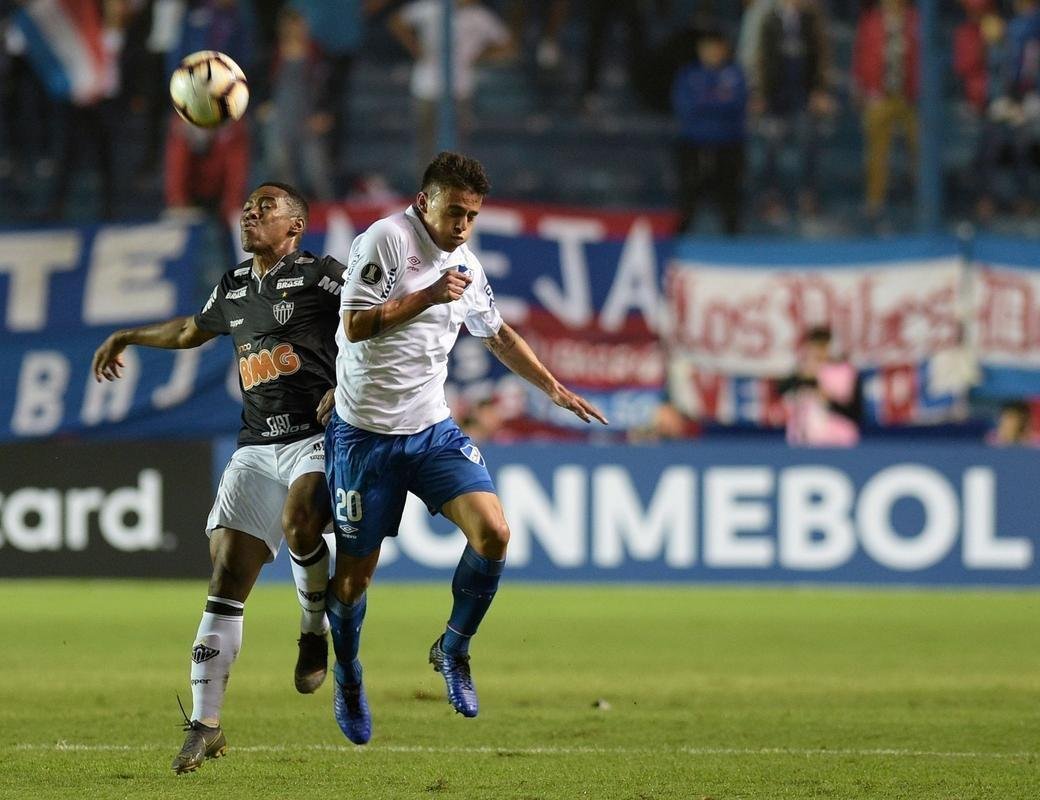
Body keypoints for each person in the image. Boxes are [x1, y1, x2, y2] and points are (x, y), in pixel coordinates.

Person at [324, 151, 607, 744]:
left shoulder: (467, 266)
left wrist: (553, 387)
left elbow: (498, 335)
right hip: (365, 435)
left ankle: (453, 648)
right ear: (425, 201)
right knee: (352, 583)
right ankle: (348, 672)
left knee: (495, 533)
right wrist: (428, 296)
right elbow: (353, 325)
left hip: (431, 429)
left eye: (472, 216)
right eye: (454, 212)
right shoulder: (386, 241)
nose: (462, 226)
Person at [91, 182, 345, 774]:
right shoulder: (233, 285)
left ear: (296, 226)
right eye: (249, 206)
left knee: (302, 519)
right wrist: (128, 335)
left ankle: (313, 629)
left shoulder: (322, 276)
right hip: (256, 445)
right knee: (227, 570)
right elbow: (188, 332)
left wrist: (347, 385)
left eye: (268, 207)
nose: (252, 212)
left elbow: (372, 325)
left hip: (316, 436)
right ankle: (206, 724)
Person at [671, 26, 749, 235]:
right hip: (693, 145)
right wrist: (719, 99)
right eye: (708, 48)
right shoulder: (688, 75)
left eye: (717, 48)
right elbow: (686, 108)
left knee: (730, 204)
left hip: (729, 145)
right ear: (700, 50)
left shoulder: (736, 74)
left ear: (725, 49)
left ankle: (733, 252)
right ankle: (680, 251)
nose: (712, 53)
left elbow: (737, 104)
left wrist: (705, 101)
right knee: (688, 201)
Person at [777, 325, 863, 447]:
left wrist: (827, 398)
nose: (819, 352)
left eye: (823, 347)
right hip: (803, 440)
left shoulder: (845, 372)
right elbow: (783, 393)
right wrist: (805, 375)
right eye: (815, 347)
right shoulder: (800, 372)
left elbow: (855, 412)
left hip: (838, 440)